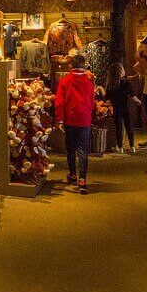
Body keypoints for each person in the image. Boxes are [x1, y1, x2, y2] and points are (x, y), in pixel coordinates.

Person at [54, 53, 95, 194]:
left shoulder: (65, 81)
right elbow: (92, 102)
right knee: (83, 149)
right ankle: (82, 179)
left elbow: (59, 102)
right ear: (84, 65)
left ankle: (72, 174)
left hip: (70, 118)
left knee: (70, 147)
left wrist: (60, 119)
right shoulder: (89, 82)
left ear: (71, 65)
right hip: (85, 119)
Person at [105, 63, 137, 154]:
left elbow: (107, 98)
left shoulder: (111, 84)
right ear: (120, 72)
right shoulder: (126, 82)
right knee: (129, 127)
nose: (124, 71)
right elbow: (132, 95)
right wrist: (139, 102)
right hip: (126, 108)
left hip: (117, 109)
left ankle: (120, 147)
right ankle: (132, 147)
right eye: (123, 69)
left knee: (118, 127)